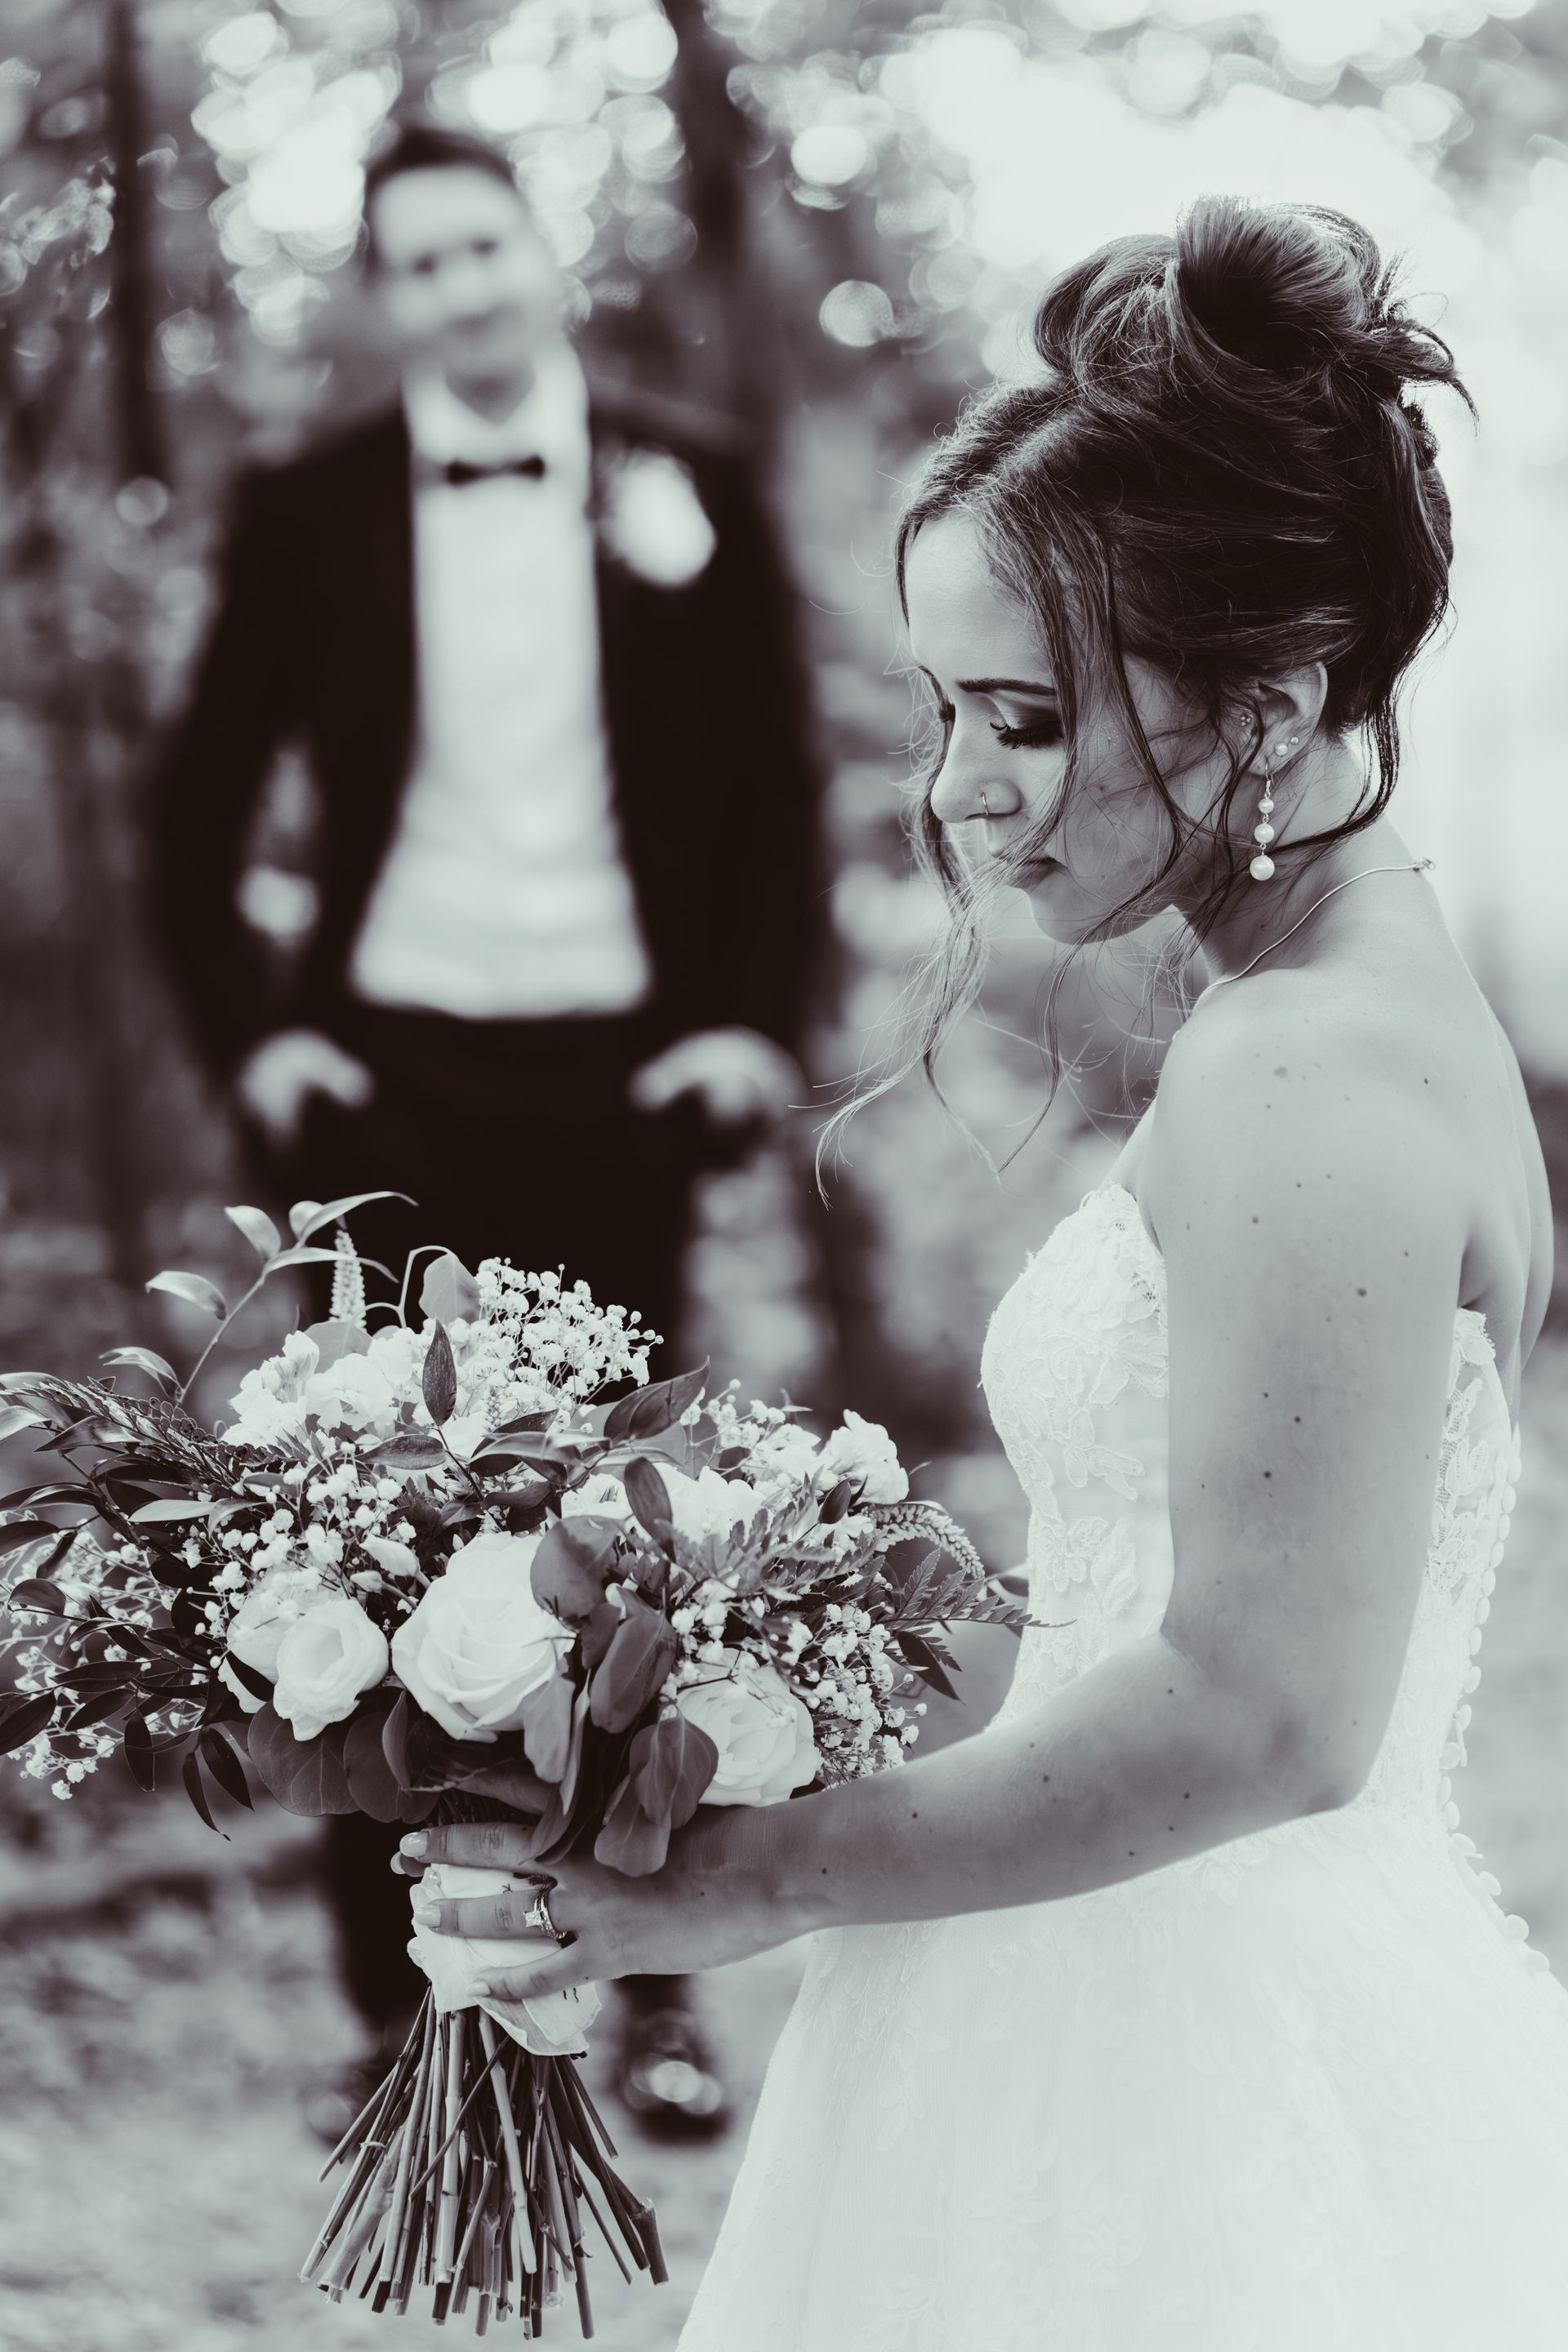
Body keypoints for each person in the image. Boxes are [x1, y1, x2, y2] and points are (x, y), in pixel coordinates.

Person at [396, 198, 1568, 2345]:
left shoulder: (1305, 1073)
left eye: (1022, 717)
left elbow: (1262, 1710)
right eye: (942, 708)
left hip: (1196, 2060)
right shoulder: (1353, 1011)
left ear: (1268, 707)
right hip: (1087, 1952)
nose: (961, 793)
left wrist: (729, 1883)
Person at [147, 120, 822, 2140]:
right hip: (389, 1079)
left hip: (624, 1075)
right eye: (415, 261)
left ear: (543, 255)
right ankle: (405, 2018)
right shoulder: (307, 506)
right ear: (385, 293)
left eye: (482, 246)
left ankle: (660, 2000)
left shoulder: (691, 477)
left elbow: (782, 789)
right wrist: (259, 1046)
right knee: (367, 1547)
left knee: (640, 1545)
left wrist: (749, 1031)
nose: (457, 286)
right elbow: (194, 814)